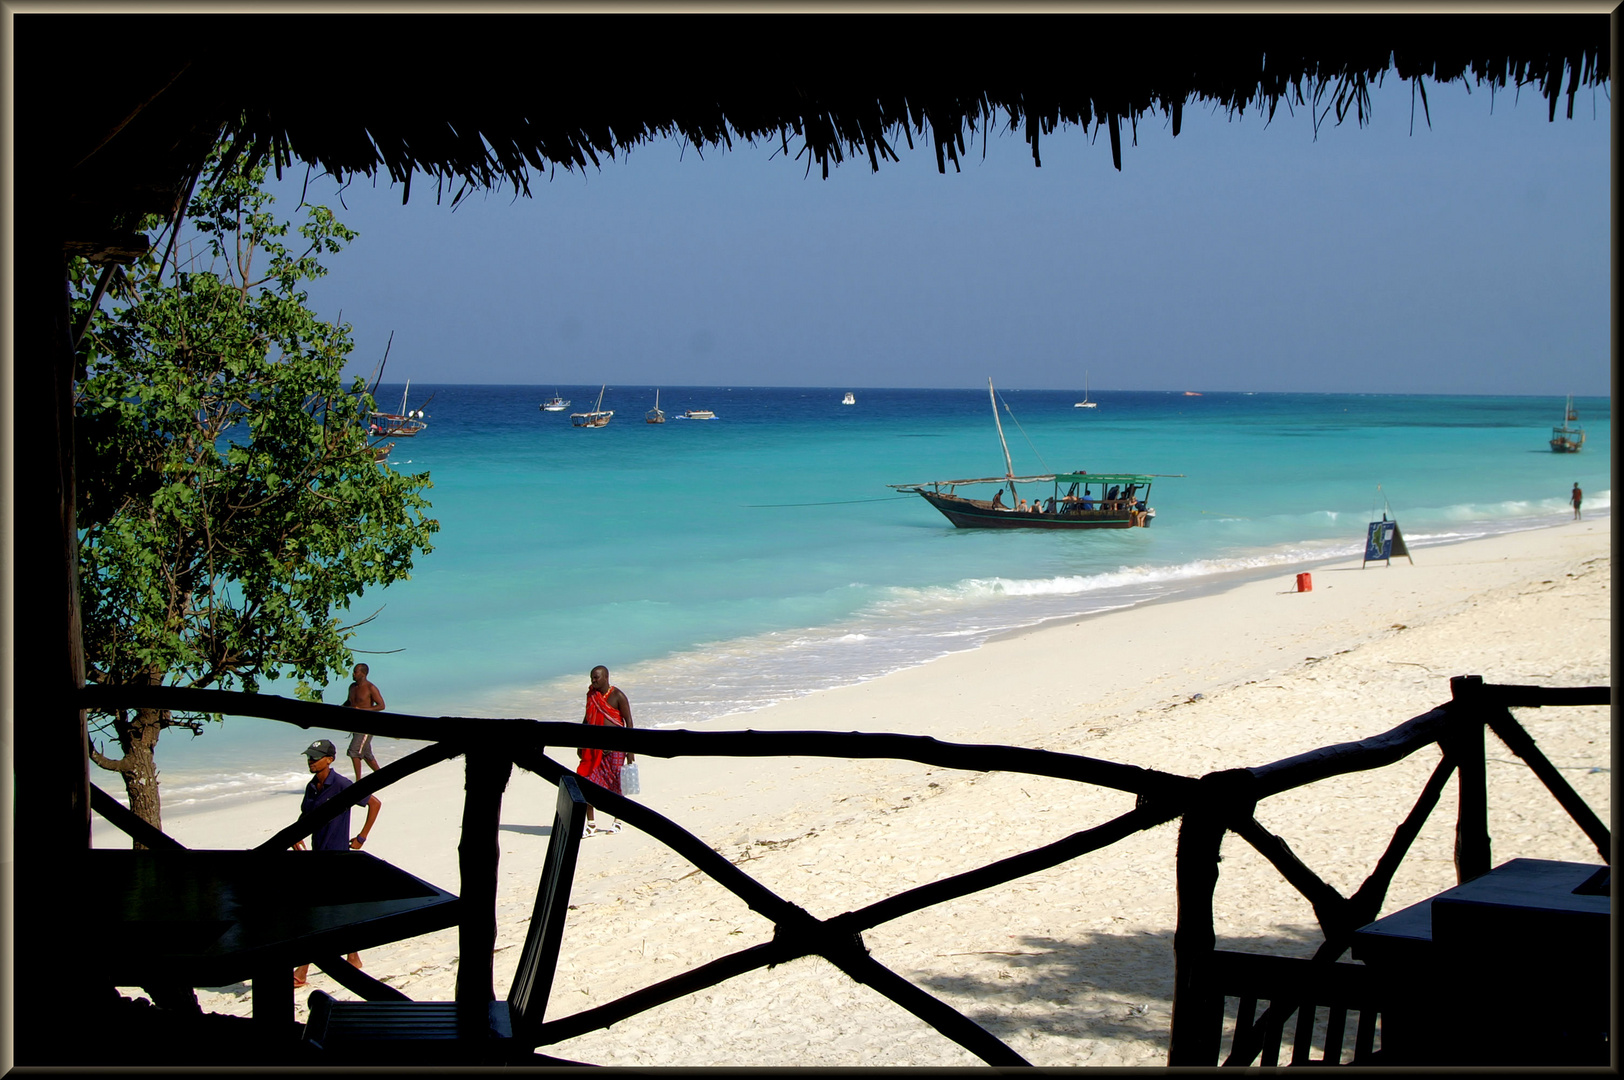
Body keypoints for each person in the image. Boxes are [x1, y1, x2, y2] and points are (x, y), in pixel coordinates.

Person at [292, 738, 382, 987]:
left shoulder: (341, 784)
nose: (311, 761)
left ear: (329, 759)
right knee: (335, 910)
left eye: (316, 757)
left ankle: (302, 969)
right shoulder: (312, 787)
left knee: (318, 911)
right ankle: (353, 957)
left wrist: (362, 837)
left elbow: (374, 803)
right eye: (309, 757)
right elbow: (305, 816)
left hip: (338, 857)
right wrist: (296, 835)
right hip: (317, 856)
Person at [577, 665, 634, 836]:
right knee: (586, 780)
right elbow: (587, 719)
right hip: (595, 749)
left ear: (606, 677)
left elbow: (629, 722)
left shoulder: (618, 696)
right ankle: (591, 824)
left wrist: (630, 751)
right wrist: (580, 744)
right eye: (592, 678)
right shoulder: (592, 696)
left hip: (616, 748)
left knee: (617, 784)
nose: (593, 681)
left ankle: (618, 820)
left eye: (596, 678)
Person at [344, 663, 385, 781]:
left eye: (355, 672)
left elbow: (381, 705)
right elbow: (349, 702)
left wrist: (362, 710)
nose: (353, 674)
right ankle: (382, 776)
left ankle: (358, 781)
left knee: (354, 751)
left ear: (363, 674)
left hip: (367, 724)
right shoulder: (352, 687)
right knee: (366, 753)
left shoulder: (370, 688)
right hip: (355, 724)